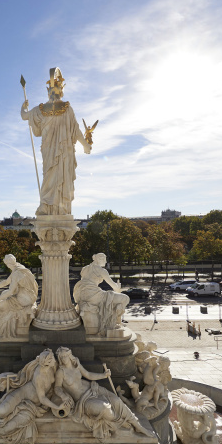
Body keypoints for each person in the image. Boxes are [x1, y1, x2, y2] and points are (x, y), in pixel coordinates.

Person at [21, 67, 92, 216]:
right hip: (63, 152)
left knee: (49, 175)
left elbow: (24, 116)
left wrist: (24, 106)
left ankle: (46, 206)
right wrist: (85, 145)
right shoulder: (67, 109)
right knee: (60, 177)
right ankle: (60, 207)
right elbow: (76, 131)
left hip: (48, 151)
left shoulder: (40, 109)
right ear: (61, 91)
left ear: (49, 92)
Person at [0, 254, 38, 340]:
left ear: (8, 264)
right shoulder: (19, 267)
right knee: (4, 293)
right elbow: (6, 282)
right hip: (29, 296)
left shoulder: (16, 273)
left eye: (6, 264)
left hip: (24, 299)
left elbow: (10, 292)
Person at [73, 253, 129, 335]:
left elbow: (86, 281)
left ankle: (115, 321)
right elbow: (114, 286)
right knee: (125, 298)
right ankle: (115, 322)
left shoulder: (84, 269)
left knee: (108, 296)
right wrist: (118, 287)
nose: (105, 261)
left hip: (79, 294)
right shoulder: (102, 271)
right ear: (97, 259)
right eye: (103, 259)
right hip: (93, 295)